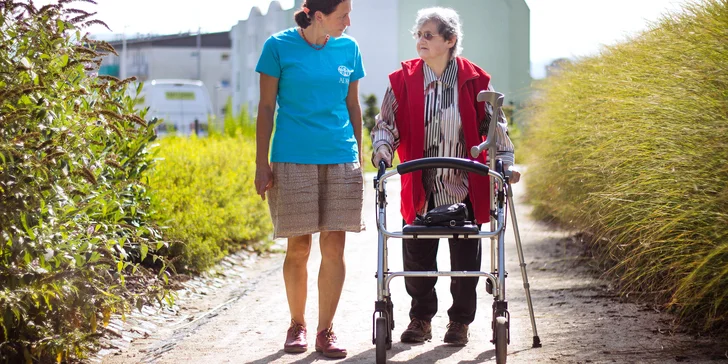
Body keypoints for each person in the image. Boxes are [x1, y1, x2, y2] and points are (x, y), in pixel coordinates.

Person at [370, 7, 521, 347]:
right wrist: (382, 153)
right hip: (420, 186)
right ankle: (420, 318)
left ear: (450, 40)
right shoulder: (402, 80)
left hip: (465, 188)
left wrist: (506, 164)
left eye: (428, 35)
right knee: (417, 258)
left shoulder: (476, 81)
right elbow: (385, 127)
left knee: (465, 265)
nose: (420, 41)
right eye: (418, 35)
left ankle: (459, 323)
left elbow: (494, 129)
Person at [254, 0, 364, 358]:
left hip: (340, 157)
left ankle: (325, 329)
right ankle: (297, 324)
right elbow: (266, 107)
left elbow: (353, 106)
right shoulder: (277, 47)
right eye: (343, 14)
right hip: (292, 157)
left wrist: (358, 158)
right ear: (319, 16)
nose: (349, 20)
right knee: (298, 247)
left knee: (334, 246)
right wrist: (261, 163)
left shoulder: (349, 48)